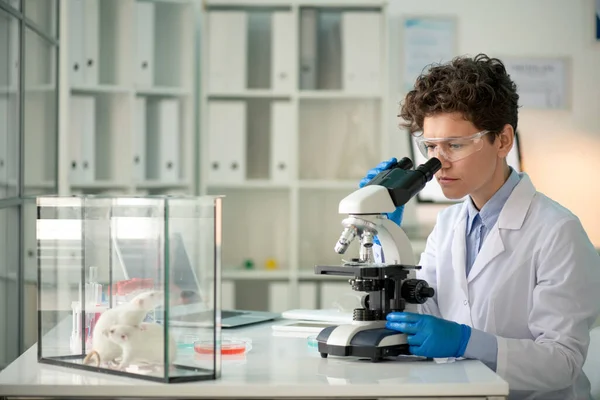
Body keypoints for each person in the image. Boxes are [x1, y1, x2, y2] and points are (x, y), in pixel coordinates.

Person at [360, 54, 600, 399]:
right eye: (430, 146)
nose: (438, 163)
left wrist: (467, 342)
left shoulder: (558, 231)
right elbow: (423, 312)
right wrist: (386, 233)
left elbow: (563, 362)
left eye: (454, 145)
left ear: (503, 140)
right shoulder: (448, 224)